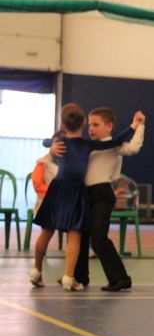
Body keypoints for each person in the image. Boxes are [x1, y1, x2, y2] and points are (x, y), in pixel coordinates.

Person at [30, 104, 141, 290]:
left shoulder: (66, 142)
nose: (91, 128)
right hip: (78, 191)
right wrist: (133, 126)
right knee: (76, 234)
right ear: (83, 123)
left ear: (63, 125)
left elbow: (46, 141)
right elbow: (116, 141)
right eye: (89, 124)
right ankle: (72, 276)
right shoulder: (85, 145)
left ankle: (37, 270)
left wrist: (51, 148)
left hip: (72, 191)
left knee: (58, 233)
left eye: (95, 125)